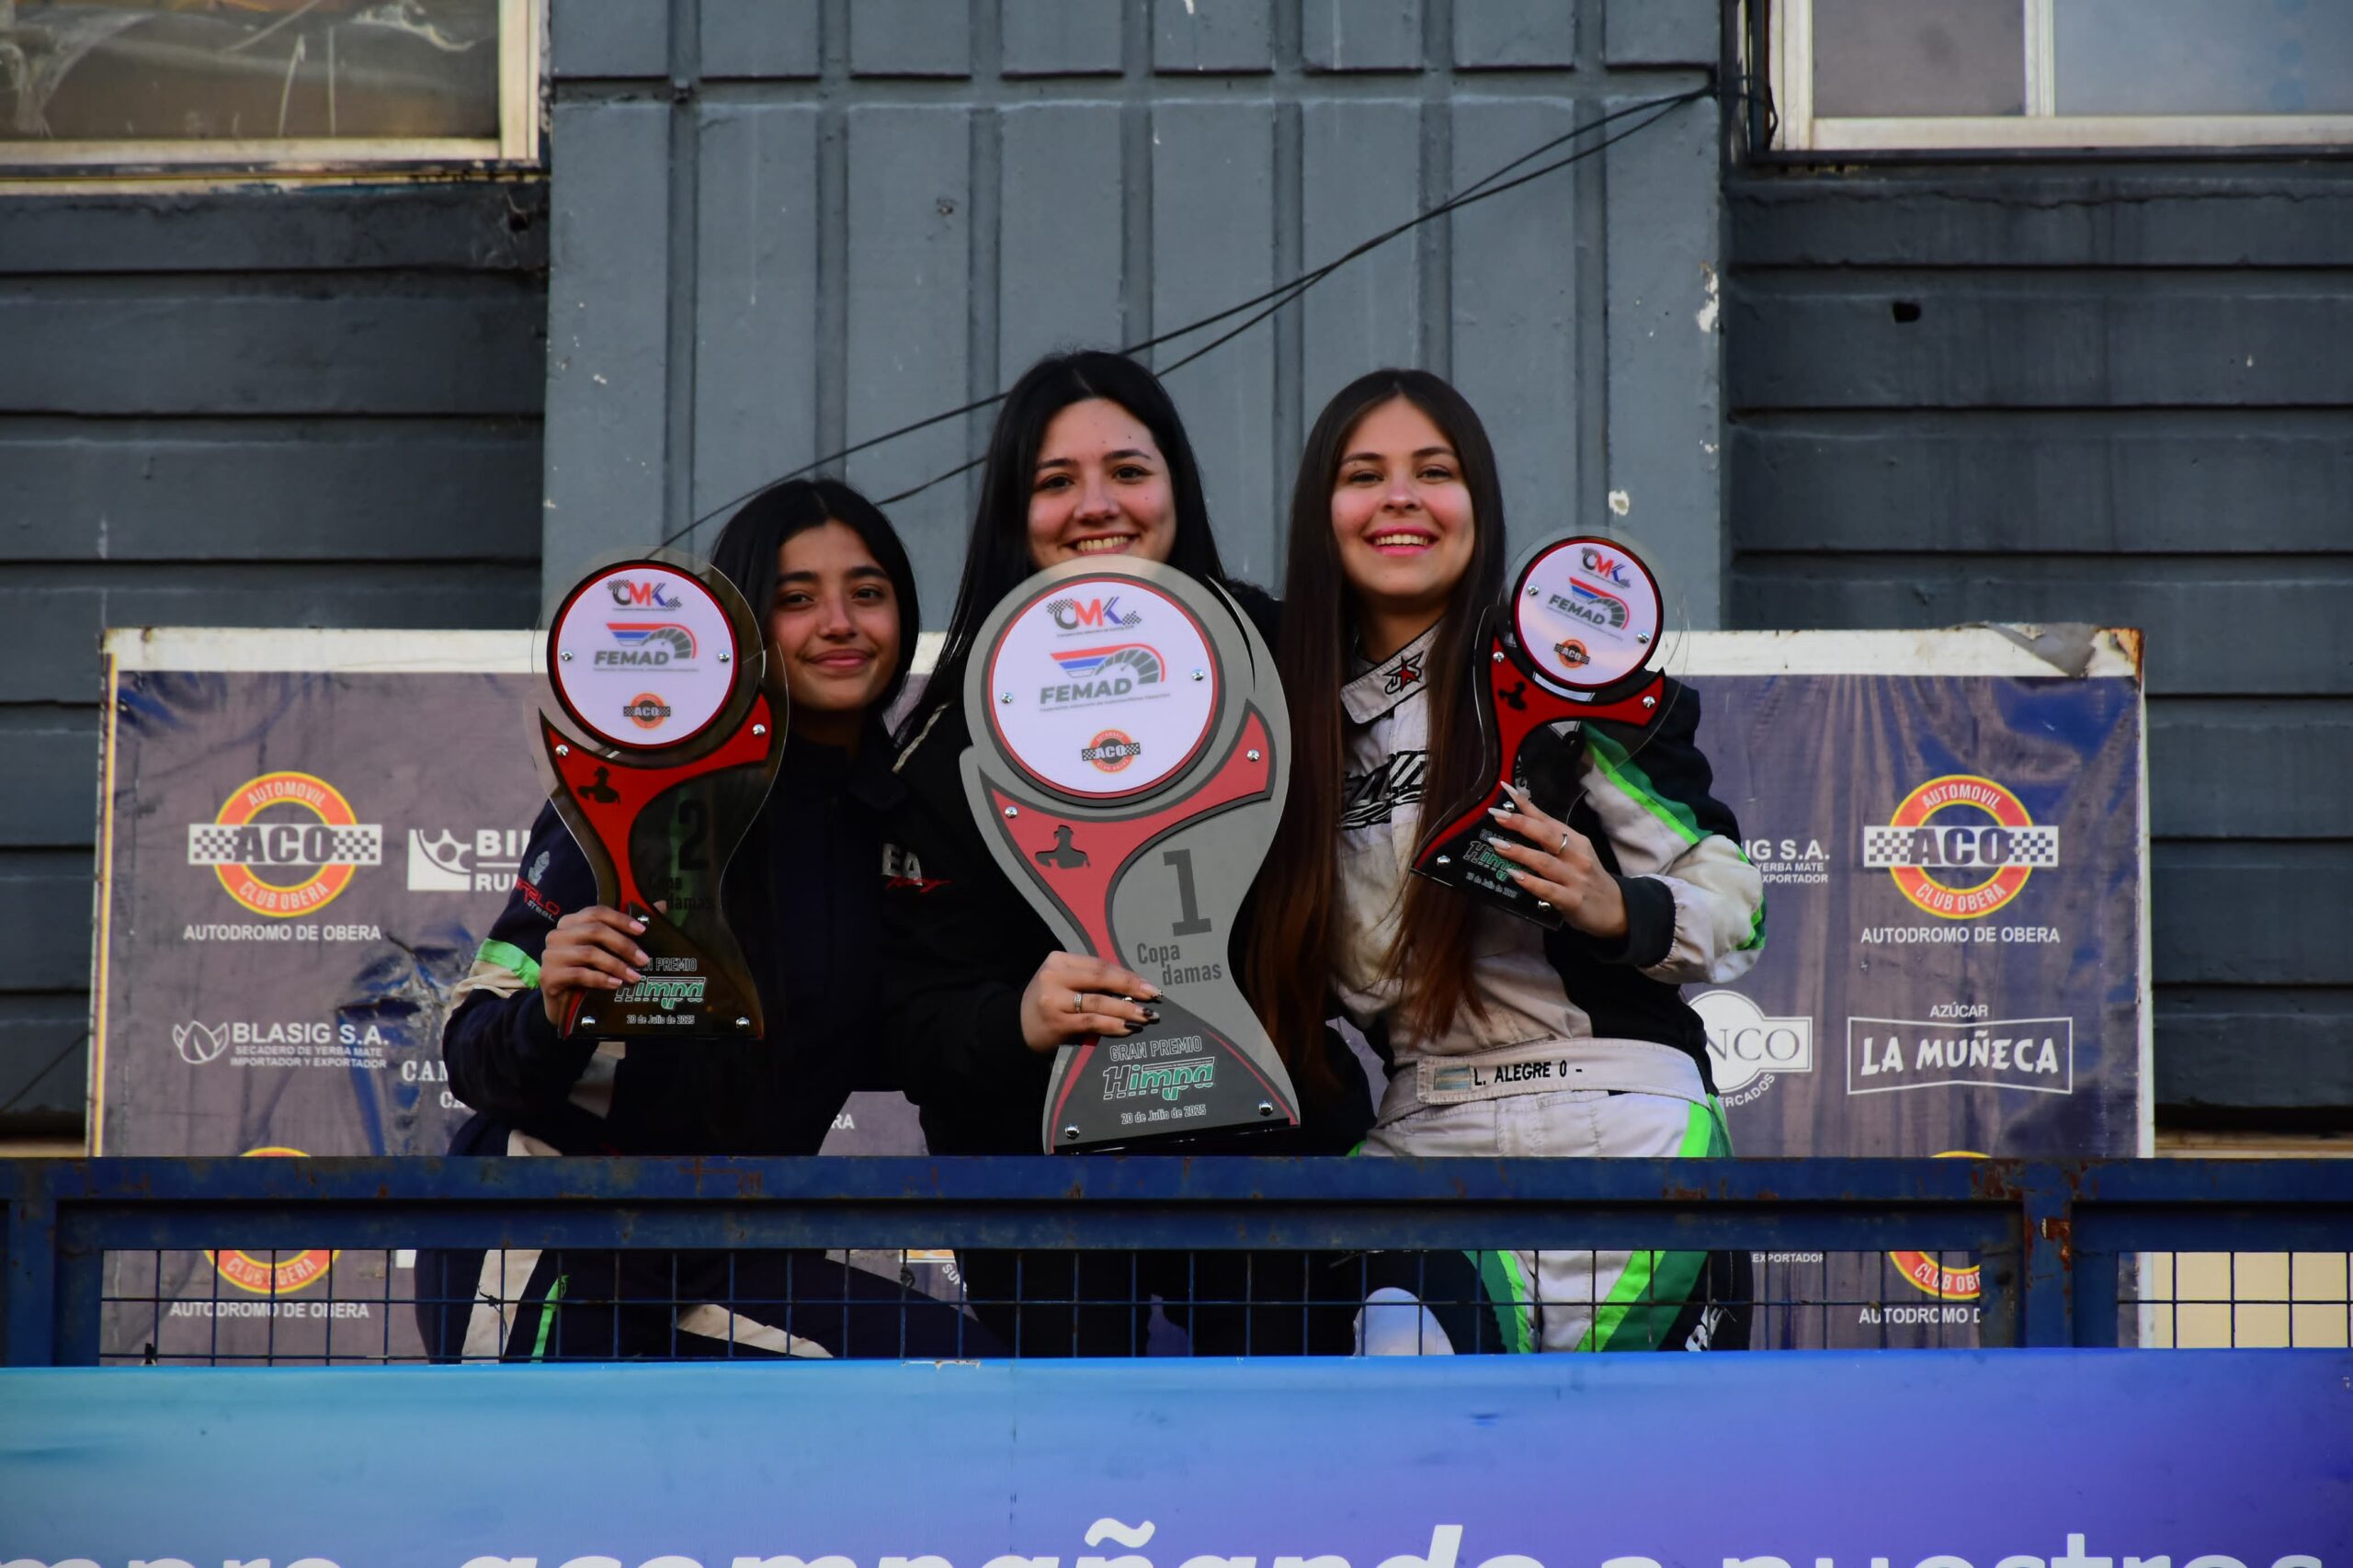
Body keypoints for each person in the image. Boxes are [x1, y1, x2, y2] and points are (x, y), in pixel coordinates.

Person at [1243, 368, 1764, 1355]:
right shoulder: (1281, 721)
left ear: (1478, 503)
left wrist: (1615, 907)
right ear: (1321, 512)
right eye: (1364, 474)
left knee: (1632, 1453)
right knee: (1419, 1425)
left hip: (1629, 1124)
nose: (1400, 497)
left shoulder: (1573, 668)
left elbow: (1734, 906)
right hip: (1423, 1137)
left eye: (1433, 472)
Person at [416, 479, 997, 1360]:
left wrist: (1024, 1019)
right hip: (552, 1245)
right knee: (945, 1377)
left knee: (960, 1376)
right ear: (739, 631)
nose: (840, 623)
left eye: (867, 592)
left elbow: (914, 1030)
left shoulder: (901, 819)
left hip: (727, 1254)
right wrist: (551, 1013)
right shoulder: (644, 792)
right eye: (796, 599)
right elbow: (473, 1048)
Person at [881, 349, 1374, 1356]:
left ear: (1176, 488)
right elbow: (909, 1010)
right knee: (1067, 1438)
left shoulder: (1287, 661)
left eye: (1128, 471)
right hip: (1038, 1183)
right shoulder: (949, 738)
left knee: (1286, 1430)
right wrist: (1014, 1019)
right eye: (1055, 480)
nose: (1096, 505)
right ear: (1014, 512)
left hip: (1270, 1164)